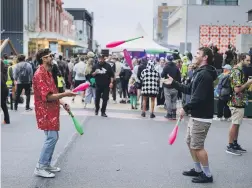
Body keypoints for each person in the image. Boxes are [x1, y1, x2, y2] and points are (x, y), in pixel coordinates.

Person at [164, 47, 217, 183]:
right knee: (190, 142)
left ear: (205, 57)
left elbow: (198, 98)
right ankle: (198, 169)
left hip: (202, 117)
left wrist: (185, 108)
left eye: (198, 53)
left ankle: (207, 175)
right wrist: (174, 83)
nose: (195, 55)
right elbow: (189, 89)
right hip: (196, 115)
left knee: (197, 146)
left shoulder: (205, 75)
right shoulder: (199, 73)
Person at [33, 48, 76, 178]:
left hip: (52, 110)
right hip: (45, 110)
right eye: (50, 55)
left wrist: (63, 103)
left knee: (53, 137)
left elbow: (53, 93)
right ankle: (40, 166)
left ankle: (46, 164)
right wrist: (66, 94)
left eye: (52, 55)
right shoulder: (40, 74)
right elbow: (48, 96)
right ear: (43, 59)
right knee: (51, 137)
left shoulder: (49, 72)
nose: (52, 57)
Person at [226, 53, 252, 155]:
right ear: (241, 59)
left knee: (237, 124)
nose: (249, 63)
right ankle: (230, 145)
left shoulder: (239, 70)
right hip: (236, 101)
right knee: (235, 124)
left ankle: (235, 144)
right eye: (247, 60)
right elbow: (237, 89)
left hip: (239, 102)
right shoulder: (237, 71)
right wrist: (248, 83)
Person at [161, 55, 181, 120]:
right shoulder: (176, 67)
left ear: (167, 59)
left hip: (167, 86)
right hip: (175, 86)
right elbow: (179, 77)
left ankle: (169, 114)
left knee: (168, 100)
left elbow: (162, 75)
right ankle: (174, 114)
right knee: (174, 101)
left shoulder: (166, 67)